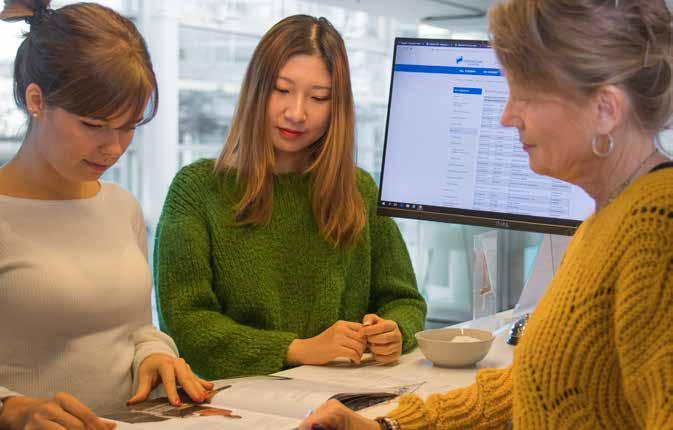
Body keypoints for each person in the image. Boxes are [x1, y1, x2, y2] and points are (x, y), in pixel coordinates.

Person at [300, 0, 673, 429]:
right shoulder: (605, 220)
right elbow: (538, 381)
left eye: (526, 96)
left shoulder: (656, 228)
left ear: (606, 109)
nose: (506, 116)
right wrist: (387, 426)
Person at [153, 14, 427, 379]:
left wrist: (394, 330)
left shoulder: (358, 190)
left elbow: (404, 300)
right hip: (235, 404)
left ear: (337, 107)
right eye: (282, 90)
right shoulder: (197, 190)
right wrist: (298, 349)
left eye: (318, 98)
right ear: (256, 90)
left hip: (341, 397)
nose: (296, 113)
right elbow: (186, 323)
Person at [0, 1, 213, 429]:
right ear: (36, 100)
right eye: (94, 125)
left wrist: (154, 353)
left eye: (128, 125)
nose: (114, 148)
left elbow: (133, 328)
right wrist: (11, 409)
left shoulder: (120, 206)